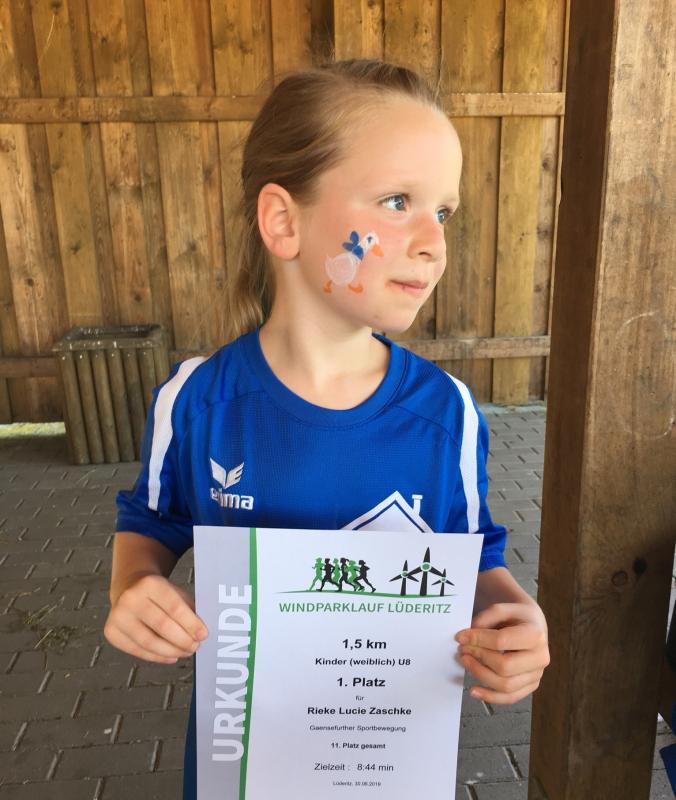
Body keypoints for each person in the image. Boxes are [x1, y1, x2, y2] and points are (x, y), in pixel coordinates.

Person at [103, 58, 550, 799]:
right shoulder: (195, 401)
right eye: (398, 201)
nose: (434, 242)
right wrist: (134, 586)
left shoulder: (448, 413)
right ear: (284, 221)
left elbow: (473, 553)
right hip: (240, 768)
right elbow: (152, 520)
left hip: (387, 767)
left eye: (443, 212)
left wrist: (513, 620)